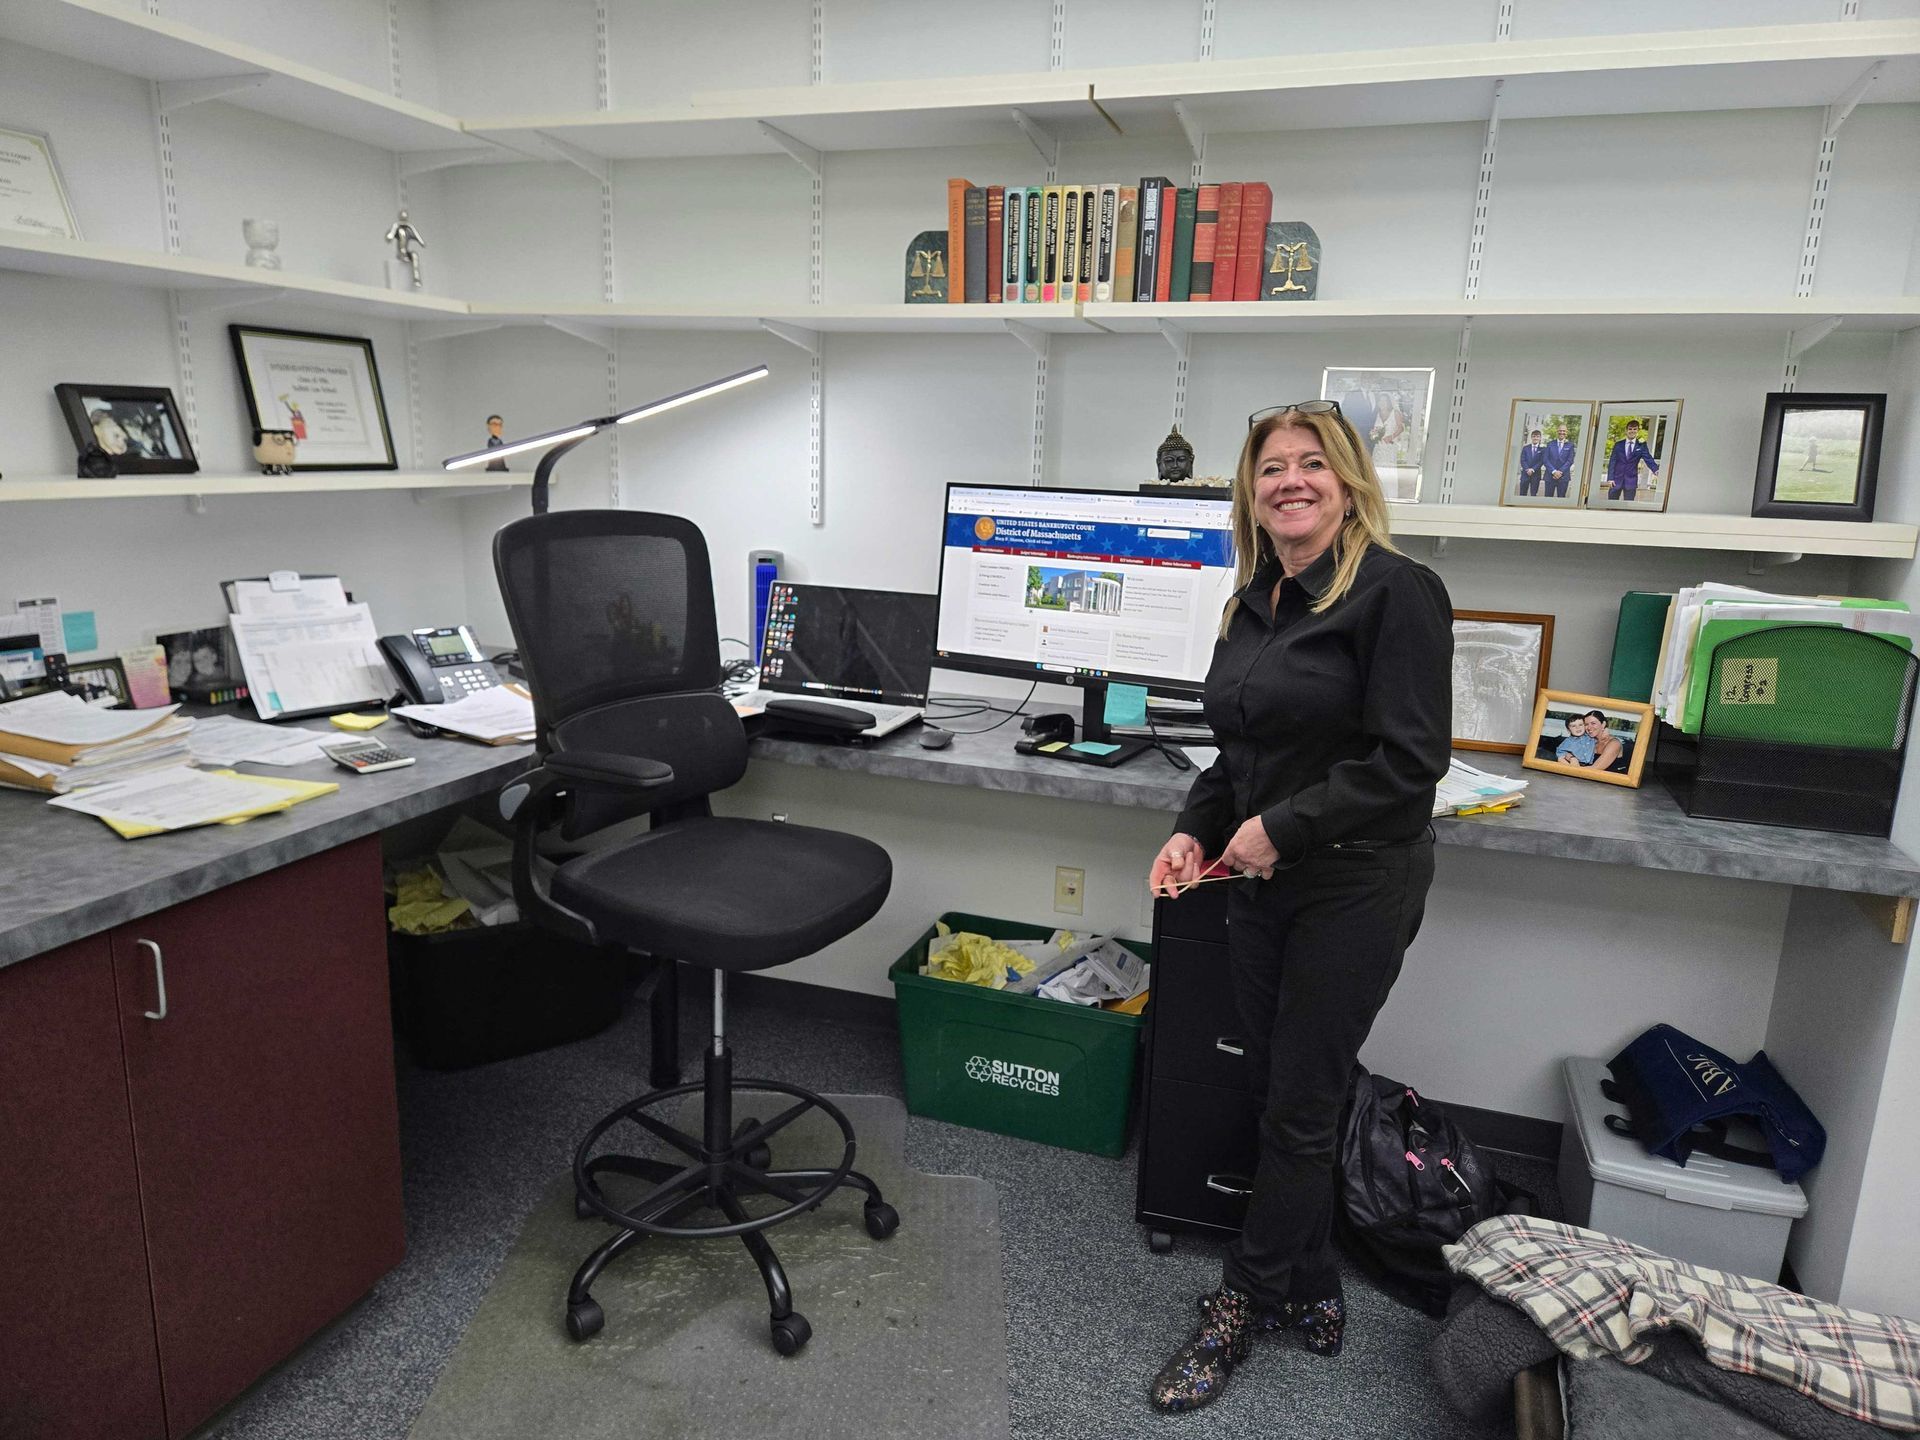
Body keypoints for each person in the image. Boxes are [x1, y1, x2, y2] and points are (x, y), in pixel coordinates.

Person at [1144, 398, 1452, 1413]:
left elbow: (1410, 762)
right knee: (1282, 1086)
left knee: (1301, 1098)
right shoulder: (1253, 603)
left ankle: (1242, 1301)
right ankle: (1312, 1274)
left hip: (1354, 880)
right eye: (1271, 468)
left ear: (1348, 478)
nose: (1290, 481)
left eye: (1311, 464)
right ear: (1251, 491)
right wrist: (1196, 825)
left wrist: (1281, 829)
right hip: (1262, 879)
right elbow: (1239, 751)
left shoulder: (1398, 593)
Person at [1604, 419, 1659, 501]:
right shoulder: (1618, 445)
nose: (1632, 431)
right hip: (1616, 480)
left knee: (1628, 505)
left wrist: (1656, 470)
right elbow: (1612, 462)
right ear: (1626, 430)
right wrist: (1610, 478)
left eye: (1634, 429)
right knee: (1611, 504)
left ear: (1638, 431)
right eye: (1630, 429)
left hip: (1631, 480)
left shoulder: (1641, 445)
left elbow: (1648, 459)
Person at [1544, 421, 1577, 499]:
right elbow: (1545, 459)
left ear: (1566, 432)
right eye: (1560, 430)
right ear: (1557, 431)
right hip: (1550, 476)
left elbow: (1570, 460)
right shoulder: (1550, 444)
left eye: (1564, 431)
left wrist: (1560, 472)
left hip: (1563, 477)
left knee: (1561, 499)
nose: (1562, 432)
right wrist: (1554, 471)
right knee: (1547, 499)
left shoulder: (1570, 445)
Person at [1517, 427, 1547, 497]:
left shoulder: (1543, 449)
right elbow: (1522, 460)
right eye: (1534, 436)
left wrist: (1533, 469)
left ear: (1540, 438)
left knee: (1533, 494)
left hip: (1536, 475)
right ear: (1531, 437)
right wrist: (1527, 469)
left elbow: (1541, 461)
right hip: (1525, 474)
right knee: (1522, 493)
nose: (1535, 438)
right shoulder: (1525, 448)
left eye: (1537, 436)